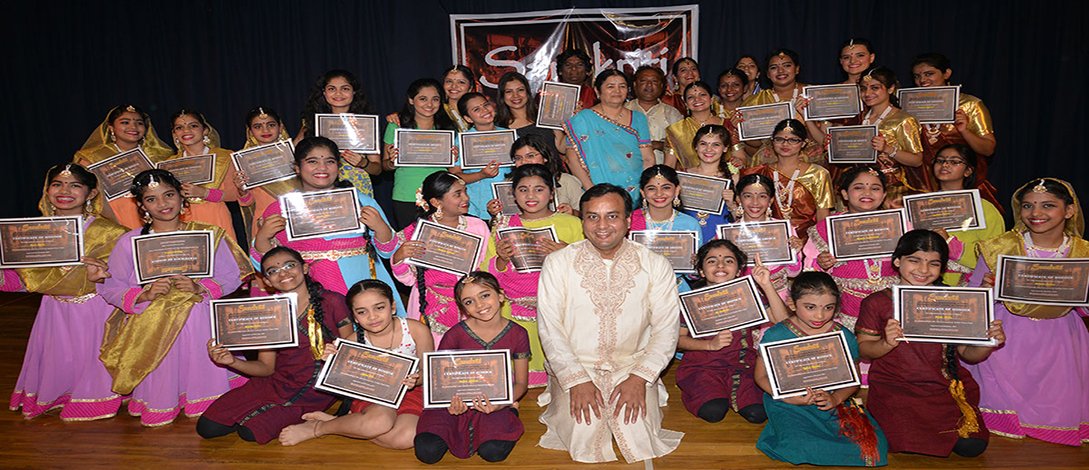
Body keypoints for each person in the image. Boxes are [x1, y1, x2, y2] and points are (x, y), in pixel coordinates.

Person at [537, 184, 683, 464]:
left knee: (636, 430)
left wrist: (639, 378)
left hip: (632, 365)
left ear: (628, 221)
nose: (602, 226)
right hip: (578, 365)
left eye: (612, 216)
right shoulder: (558, 263)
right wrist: (577, 380)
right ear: (582, 222)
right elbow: (550, 329)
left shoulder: (655, 264)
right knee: (585, 429)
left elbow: (667, 330)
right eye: (592, 217)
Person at [97, 169, 253, 426]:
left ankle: (205, 397)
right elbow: (111, 287)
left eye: (169, 195)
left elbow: (231, 275)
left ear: (182, 197)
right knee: (164, 366)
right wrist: (145, 293)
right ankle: (164, 401)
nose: (163, 203)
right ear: (142, 205)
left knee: (202, 359)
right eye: (152, 199)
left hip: (199, 320)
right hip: (154, 325)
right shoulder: (129, 241)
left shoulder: (208, 235)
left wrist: (199, 287)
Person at [962, 178, 1089, 446]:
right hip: (1007, 340)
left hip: (1059, 341)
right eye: (1028, 205)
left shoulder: (1082, 252)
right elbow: (973, 302)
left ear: (1069, 210)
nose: (1035, 213)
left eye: (1048, 205)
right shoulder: (998, 247)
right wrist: (988, 290)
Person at [857, 230, 1005, 457]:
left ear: (942, 268)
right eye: (914, 260)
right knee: (903, 442)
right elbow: (864, 348)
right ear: (897, 261)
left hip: (943, 387)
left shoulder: (954, 300)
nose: (924, 270)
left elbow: (967, 353)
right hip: (896, 388)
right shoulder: (877, 302)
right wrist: (886, 343)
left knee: (972, 447)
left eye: (933, 263)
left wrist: (989, 343)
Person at [3, 164, 126, 420]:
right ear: (47, 191)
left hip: (96, 308)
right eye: (57, 184)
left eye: (75, 185)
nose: (64, 191)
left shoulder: (109, 232)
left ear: (91, 193)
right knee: (60, 357)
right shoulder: (31, 233)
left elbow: (126, 276)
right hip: (55, 307)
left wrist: (101, 274)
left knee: (94, 358)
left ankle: (96, 398)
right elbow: (23, 279)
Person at [197, 247, 354, 444]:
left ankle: (310, 420)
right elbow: (266, 367)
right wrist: (232, 361)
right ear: (268, 281)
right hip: (277, 381)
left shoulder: (333, 301)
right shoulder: (268, 310)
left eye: (290, 265)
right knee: (207, 427)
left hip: (315, 388)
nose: (283, 273)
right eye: (273, 271)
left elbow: (351, 352)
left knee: (250, 432)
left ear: (305, 268)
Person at [251, 137, 402, 315]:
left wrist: (380, 227)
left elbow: (389, 252)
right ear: (297, 168)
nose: (322, 167)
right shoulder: (280, 208)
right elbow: (265, 265)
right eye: (312, 161)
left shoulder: (361, 201)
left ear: (338, 166)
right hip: (313, 290)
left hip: (362, 286)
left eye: (329, 161)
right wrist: (263, 236)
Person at [276, 279, 434, 448]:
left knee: (405, 438)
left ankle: (343, 422)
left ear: (393, 306)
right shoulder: (353, 342)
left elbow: (427, 371)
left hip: (411, 392)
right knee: (380, 422)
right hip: (373, 395)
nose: (372, 316)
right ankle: (318, 428)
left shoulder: (416, 329)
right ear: (355, 317)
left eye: (379, 308)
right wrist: (331, 361)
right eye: (362, 312)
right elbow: (342, 381)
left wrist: (415, 379)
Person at [755, 271, 888, 466]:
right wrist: (788, 398)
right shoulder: (776, 335)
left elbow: (854, 381)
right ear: (792, 304)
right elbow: (761, 377)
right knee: (800, 444)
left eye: (828, 308)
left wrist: (835, 399)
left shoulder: (843, 336)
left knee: (875, 448)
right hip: (789, 402)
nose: (820, 315)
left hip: (834, 402)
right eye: (810, 307)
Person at [414, 272, 530, 464]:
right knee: (427, 451)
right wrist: (451, 402)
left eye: (485, 295)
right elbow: (440, 381)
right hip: (455, 401)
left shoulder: (518, 333)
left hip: (493, 400)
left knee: (493, 452)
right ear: (463, 308)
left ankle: (511, 411)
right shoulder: (455, 334)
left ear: (501, 295)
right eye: (469, 302)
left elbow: (521, 383)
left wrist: (501, 404)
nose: (480, 305)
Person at [487, 163, 584, 387]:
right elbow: (487, 274)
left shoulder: (571, 223)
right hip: (514, 311)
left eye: (539, 189)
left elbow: (590, 269)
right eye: (523, 190)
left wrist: (566, 252)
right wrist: (502, 258)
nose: (530, 196)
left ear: (551, 193)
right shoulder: (503, 225)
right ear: (513, 194)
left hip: (559, 311)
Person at [675, 239, 788, 424]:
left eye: (728, 261)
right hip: (703, 366)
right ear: (701, 271)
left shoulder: (749, 295)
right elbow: (678, 341)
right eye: (712, 261)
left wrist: (767, 285)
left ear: (738, 271)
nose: (720, 265)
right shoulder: (690, 301)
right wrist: (710, 345)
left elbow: (783, 322)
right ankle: (713, 393)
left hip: (742, 365)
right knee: (713, 412)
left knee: (757, 414)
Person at [388, 171, 490, 341]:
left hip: (471, 305)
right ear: (436, 202)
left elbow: (486, 267)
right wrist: (399, 258)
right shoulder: (417, 231)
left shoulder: (477, 227)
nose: (466, 198)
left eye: (465, 192)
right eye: (457, 194)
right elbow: (408, 280)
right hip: (427, 305)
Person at [802, 166, 898, 329]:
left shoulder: (898, 224)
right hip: (844, 306)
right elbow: (810, 271)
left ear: (883, 195)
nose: (867, 193)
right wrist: (821, 263)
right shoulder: (827, 228)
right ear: (845, 194)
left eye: (875, 188)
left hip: (889, 305)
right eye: (859, 187)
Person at [911, 53, 999, 211]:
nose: (922, 80)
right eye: (917, 76)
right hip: (922, 185)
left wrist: (964, 131)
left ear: (946, 73)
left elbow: (988, 149)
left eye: (929, 74)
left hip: (964, 185)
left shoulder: (969, 105)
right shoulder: (909, 107)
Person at [73, 105, 173, 228]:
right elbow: (86, 195)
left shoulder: (159, 156)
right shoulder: (92, 158)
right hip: (111, 220)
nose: (133, 127)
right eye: (125, 122)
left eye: (139, 123)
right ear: (111, 128)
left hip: (158, 216)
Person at [563, 69, 655, 201]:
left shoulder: (638, 118)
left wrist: (645, 189)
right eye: (610, 86)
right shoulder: (583, 118)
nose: (617, 91)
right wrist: (593, 191)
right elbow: (572, 159)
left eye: (622, 86)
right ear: (597, 91)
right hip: (595, 190)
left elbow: (648, 159)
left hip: (635, 192)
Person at [381, 78, 458, 230]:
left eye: (435, 99)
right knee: (410, 241)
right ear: (411, 100)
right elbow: (384, 166)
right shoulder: (396, 126)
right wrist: (392, 162)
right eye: (423, 99)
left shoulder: (447, 129)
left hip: (440, 195)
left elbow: (454, 171)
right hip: (406, 194)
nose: (429, 104)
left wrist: (453, 160)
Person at [742, 119, 834, 243]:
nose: (785, 144)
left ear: (803, 143)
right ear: (772, 141)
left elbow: (822, 214)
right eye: (779, 139)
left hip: (806, 238)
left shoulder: (818, 174)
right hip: (769, 237)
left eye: (793, 140)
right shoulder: (761, 172)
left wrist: (818, 243)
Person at [297, 70, 381, 197]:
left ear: (354, 92)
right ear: (324, 92)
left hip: (357, 187)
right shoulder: (311, 122)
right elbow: (295, 157)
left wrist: (363, 163)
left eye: (345, 88)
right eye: (332, 89)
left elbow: (377, 169)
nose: (338, 93)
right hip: (319, 183)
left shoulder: (366, 124)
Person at [930, 144, 1005, 285]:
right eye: (940, 160)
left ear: (968, 171)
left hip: (967, 286)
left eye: (954, 161)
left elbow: (994, 254)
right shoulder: (920, 206)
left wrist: (951, 244)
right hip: (924, 282)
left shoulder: (985, 208)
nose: (945, 165)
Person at [164, 109, 243, 242]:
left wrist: (204, 193)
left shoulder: (224, 157)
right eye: (179, 128)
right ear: (174, 134)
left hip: (216, 217)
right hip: (182, 220)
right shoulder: (169, 164)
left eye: (193, 126)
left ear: (205, 130)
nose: (186, 130)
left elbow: (235, 195)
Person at [727, 173, 804, 301]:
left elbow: (793, 273)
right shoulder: (728, 233)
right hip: (742, 298)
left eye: (762, 196)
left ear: (771, 200)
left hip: (778, 295)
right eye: (748, 196)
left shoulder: (784, 230)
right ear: (739, 199)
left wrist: (794, 253)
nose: (755, 202)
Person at [233, 107, 300, 251]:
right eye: (258, 126)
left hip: (296, 216)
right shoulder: (245, 161)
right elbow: (248, 203)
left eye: (271, 125)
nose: (265, 130)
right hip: (265, 220)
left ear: (280, 127)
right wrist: (242, 190)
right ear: (250, 131)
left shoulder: (296, 155)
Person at [664, 81, 743, 170]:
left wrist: (736, 163)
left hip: (724, 176)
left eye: (702, 95)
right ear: (686, 103)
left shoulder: (728, 125)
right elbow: (669, 165)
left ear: (712, 100)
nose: (697, 99)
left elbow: (741, 158)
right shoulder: (675, 131)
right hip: (689, 177)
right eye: (691, 97)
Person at [452, 92, 505, 221]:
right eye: (476, 109)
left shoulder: (509, 135)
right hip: (475, 208)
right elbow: (454, 177)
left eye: (486, 105)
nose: (485, 110)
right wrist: (481, 175)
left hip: (505, 205)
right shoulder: (461, 141)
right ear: (468, 118)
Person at [679, 125, 737, 242]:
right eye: (703, 144)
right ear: (696, 146)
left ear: (725, 148)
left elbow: (743, 220)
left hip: (720, 239)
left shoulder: (734, 177)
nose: (708, 149)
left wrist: (731, 205)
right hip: (688, 237)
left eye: (716, 145)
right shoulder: (682, 176)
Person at [630, 165, 704, 248]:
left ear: (676, 190)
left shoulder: (690, 224)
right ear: (643, 193)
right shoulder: (630, 221)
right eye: (651, 188)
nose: (659, 194)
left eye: (666, 188)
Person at [625, 65, 684, 164]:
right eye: (643, 81)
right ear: (635, 84)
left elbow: (683, 147)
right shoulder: (623, 110)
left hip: (662, 171)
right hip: (627, 169)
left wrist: (659, 145)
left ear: (662, 86)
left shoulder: (672, 114)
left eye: (654, 81)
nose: (649, 85)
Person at [493, 71, 558, 145]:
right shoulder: (497, 127)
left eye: (520, 90)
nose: (515, 95)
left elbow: (562, 147)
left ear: (527, 92)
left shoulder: (545, 117)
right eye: (509, 91)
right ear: (502, 96)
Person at [441, 65, 477, 132]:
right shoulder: (436, 112)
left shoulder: (477, 112)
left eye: (461, 82)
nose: (454, 86)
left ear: (470, 87)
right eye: (449, 81)